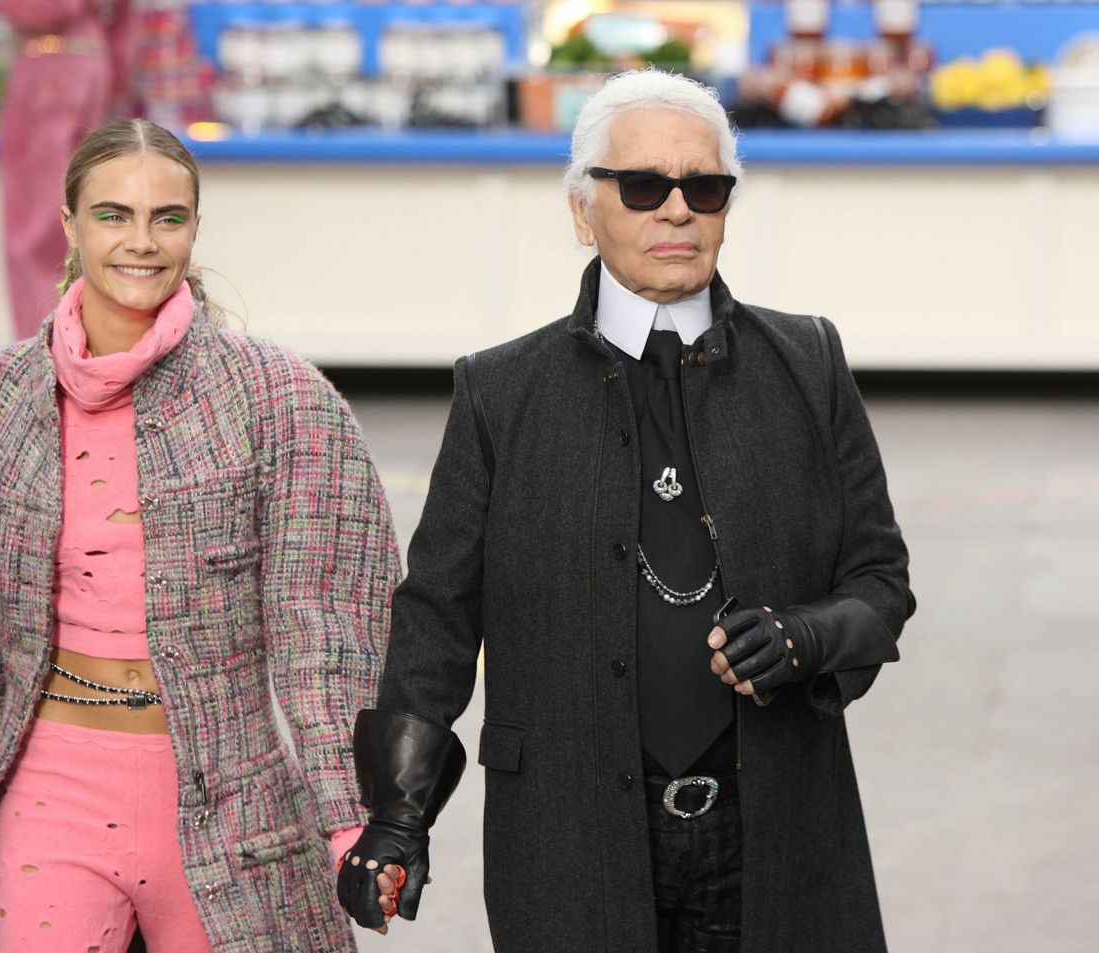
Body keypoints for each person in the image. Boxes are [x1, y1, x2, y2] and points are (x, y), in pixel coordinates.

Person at [337, 69, 915, 953]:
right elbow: (437, 618)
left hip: (780, 831)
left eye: (705, 187)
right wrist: (397, 816)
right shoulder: (499, 391)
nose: (677, 210)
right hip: (570, 844)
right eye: (644, 186)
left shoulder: (808, 361)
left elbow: (880, 581)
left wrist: (804, 636)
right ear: (582, 210)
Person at [0, 118, 398, 953]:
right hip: (49, 790)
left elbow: (330, 629)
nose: (142, 241)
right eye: (112, 214)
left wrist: (353, 818)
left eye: (168, 217)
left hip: (235, 798)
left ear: (196, 227)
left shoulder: (281, 398)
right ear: (67, 223)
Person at [0, 0, 134, 339]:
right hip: (91, 57)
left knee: (39, 234)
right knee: (77, 221)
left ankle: (43, 361)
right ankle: (79, 347)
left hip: (46, 60)